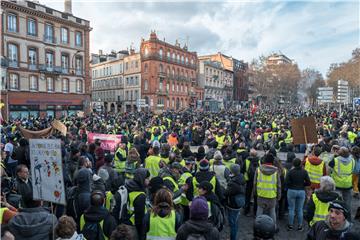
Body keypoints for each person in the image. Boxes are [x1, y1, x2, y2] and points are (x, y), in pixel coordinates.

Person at [254, 153, 281, 230]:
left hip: (261, 194)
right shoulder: (276, 171)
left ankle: (257, 226)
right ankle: (274, 227)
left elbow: (255, 183)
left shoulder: (258, 169)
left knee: (259, 211)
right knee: (272, 212)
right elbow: (278, 185)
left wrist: (255, 193)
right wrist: (279, 195)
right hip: (272, 195)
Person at [285, 158, 311, 231]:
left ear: (293, 164)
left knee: (291, 209)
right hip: (301, 191)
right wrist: (302, 184)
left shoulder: (290, 172)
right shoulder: (304, 172)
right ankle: (300, 226)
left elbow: (286, 182)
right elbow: (309, 183)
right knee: (300, 209)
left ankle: (290, 226)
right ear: (300, 164)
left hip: (291, 191)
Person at [124, 168, 150, 239]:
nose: (149, 180)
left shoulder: (129, 186)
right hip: (135, 226)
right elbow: (139, 218)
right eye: (147, 178)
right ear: (141, 179)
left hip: (127, 222)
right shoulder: (140, 195)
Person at [329, 147, 355, 214]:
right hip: (348, 184)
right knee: (348, 204)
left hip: (337, 184)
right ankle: (348, 219)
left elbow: (329, 165)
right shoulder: (352, 160)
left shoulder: (335, 160)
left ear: (339, 153)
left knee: (335, 203)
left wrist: (334, 155)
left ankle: (336, 217)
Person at [224, 164, 246, 240]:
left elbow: (226, 193)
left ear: (232, 171)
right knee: (235, 220)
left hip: (233, 205)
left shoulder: (233, 183)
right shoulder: (241, 177)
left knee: (233, 223)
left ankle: (233, 238)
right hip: (239, 203)